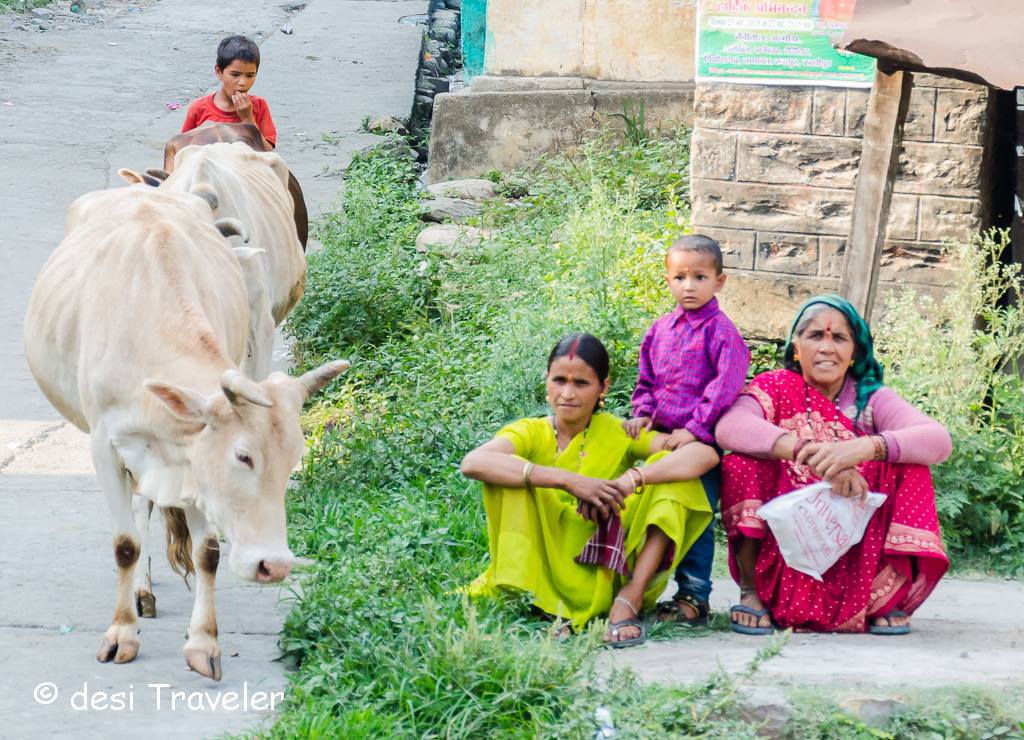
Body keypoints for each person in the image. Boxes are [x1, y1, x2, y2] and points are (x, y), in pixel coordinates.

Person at [461, 333, 718, 647]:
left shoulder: (618, 431)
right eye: (559, 381)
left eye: (581, 383)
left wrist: (632, 479)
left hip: (602, 564)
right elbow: (473, 462)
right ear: (547, 380)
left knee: (673, 474)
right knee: (509, 473)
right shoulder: (531, 432)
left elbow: (704, 455)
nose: (567, 394)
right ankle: (531, 597)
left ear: (603, 388)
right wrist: (566, 480)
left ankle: (631, 597)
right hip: (544, 560)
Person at [715, 295, 952, 635]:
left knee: (911, 467)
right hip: (788, 539)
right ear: (796, 347)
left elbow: (938, 440)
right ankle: (752, 592)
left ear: (855, 352)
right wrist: (812, 454)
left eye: (839, 338)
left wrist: (862, 448)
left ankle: (882, 599)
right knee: (741, 463)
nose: (827, 347)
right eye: (815, 336)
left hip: (855, 538)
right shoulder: (775, 387)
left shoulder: (869, 399)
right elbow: (730, 427)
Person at [624, 234, 750, 626]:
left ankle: (695, 596)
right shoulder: (660, 329)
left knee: (696, 518)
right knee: (658, 512)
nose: (689, 286)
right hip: (662, 440)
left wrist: (694, 430)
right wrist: (643, 413)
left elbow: (724, 390)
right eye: (679, 277)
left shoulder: (723, 334)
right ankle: (634, 581)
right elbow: (647, 378)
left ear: (719, 281)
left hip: (701, 447)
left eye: (699, 277)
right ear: (668, 280)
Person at [180, 35, 277, 148]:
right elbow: (182, 148)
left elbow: (267, 151)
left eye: (250, 75)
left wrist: (248, 119)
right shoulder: (199, 108)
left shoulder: (259, 106)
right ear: (219, 72)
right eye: (235, 75)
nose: (243, 82)